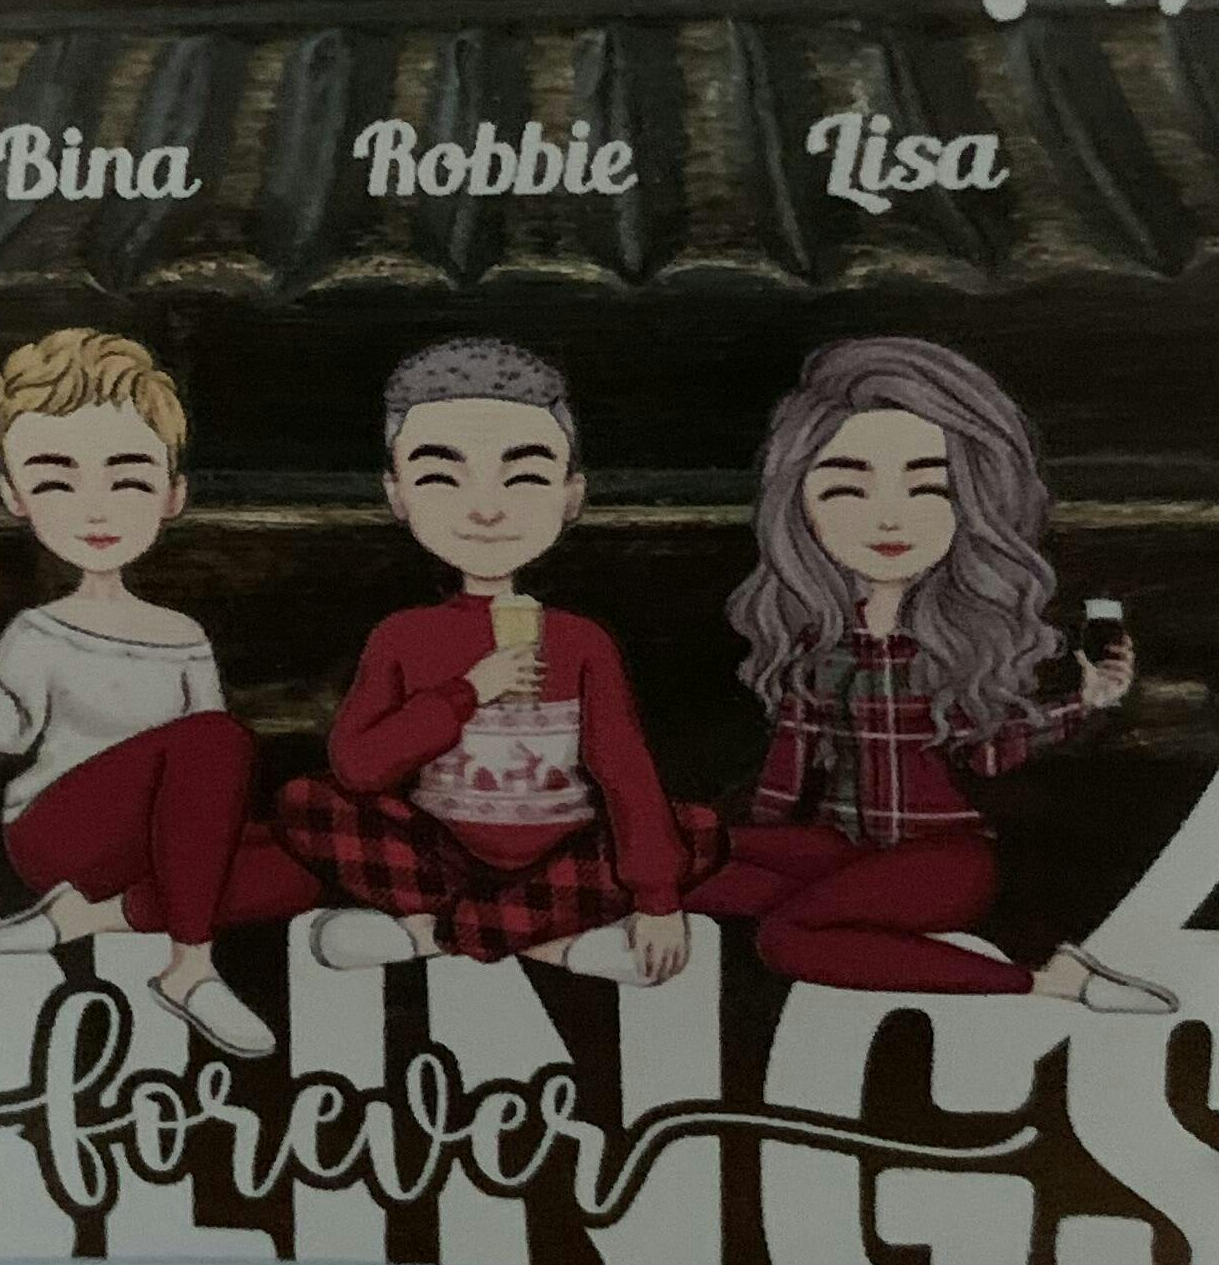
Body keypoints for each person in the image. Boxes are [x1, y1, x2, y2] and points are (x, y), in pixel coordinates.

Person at [686, 333, 1165, 1004]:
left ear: (973, 504)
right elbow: (785, 774)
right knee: (671, 856)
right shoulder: (819, 643)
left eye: (927, 488)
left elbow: (992, 754)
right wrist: (727, 840)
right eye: (848, 489)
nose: (888, 517)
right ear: (800, 505)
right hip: (842, 846)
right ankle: (834, 915)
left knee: (786, 937)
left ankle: (1044, 981)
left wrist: (1087, 702)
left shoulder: (959, 641)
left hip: (944, 858)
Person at [0, 328, 312, 1064]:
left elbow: (212, 784)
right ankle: (190, 968)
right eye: (56, 483)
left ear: (173, 494)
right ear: (14, 496)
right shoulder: (38, 630)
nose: (96, 510)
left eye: (128, 481)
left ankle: (85, 919)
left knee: (309, 860)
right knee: (215, 739)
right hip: (58, 831)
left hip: (153, 850)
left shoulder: (182, 632)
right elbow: (8, 735)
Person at [278, 338, 717, 984]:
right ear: (396, 494)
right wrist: (466, 693)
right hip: (438, 857)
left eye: (526, 478)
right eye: (440, 478)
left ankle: (430, 936)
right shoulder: (403, 635)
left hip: (561, 855)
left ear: (571, 495)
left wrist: (657, 900)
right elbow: (358, 767)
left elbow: (623, 768)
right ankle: (547, 942)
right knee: (306, 802)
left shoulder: (581, 640)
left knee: (697, 831)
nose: (486, 509)